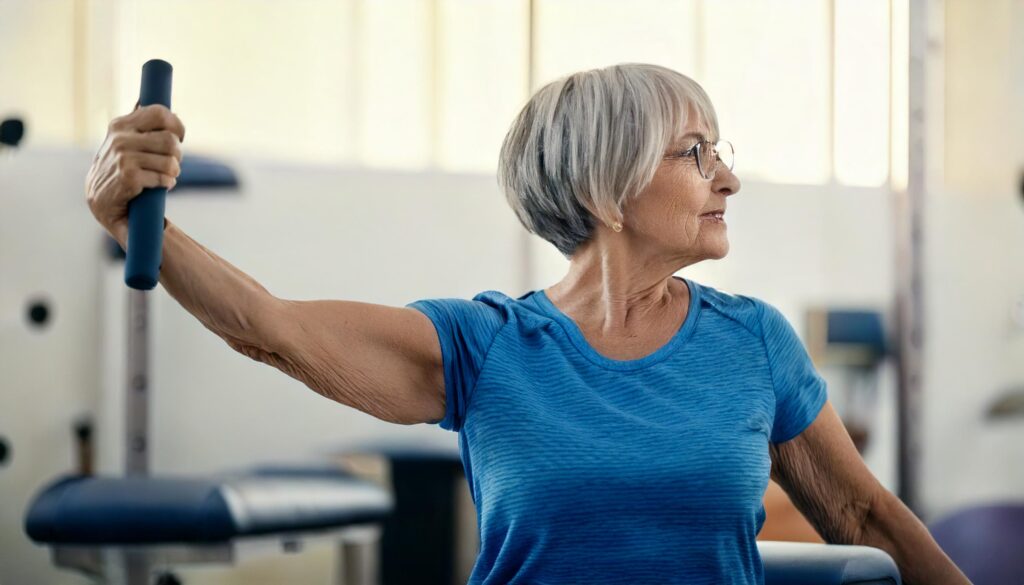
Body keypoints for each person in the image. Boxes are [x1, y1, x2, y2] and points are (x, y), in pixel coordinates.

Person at [85, 63, 968, 585]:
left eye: (721, 154)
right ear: (602, 188)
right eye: (696, 155)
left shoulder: (755, 340)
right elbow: (269, 327)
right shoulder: (485, 345)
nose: (726, 180)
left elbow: (864, 512)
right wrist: (130, 221)